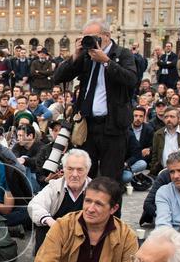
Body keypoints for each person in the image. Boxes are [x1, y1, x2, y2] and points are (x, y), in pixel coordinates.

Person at [51, 19, 139, 181]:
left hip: (113, 125)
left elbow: (131, 79)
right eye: (85, 37)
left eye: (92, 37)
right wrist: (75, 55)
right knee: (84, 175)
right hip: (87, 126)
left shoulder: (122, 54)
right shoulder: (85, 56)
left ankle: (111, 207)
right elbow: (58, 77)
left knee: (110, 178)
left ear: (107, 36)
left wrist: (106, 61)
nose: (88, 41)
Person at [27, 149, 92, 250]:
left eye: (80, 169)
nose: (74, 174)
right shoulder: (54, 186)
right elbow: (34, 205)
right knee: (42, 226)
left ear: (87, 170)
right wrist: (50, 222)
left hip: (83, 237)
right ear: (64, 169)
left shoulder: (95, 189)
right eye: (70, 169)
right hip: (55, 236)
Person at [147, 106, 180, 175]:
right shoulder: (158, 134)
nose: (168, 119)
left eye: (172, 117)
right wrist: (153, 170)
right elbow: (155, 155)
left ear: (179, 119)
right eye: (166, 117)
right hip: (163, 170)